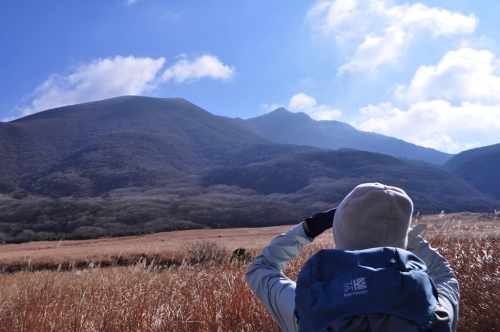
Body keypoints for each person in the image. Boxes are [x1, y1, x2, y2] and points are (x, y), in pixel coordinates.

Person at [246, 182, 459, 332]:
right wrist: (402, 232)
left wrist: (308, 229)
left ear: (340, 232)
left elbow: (263, 267)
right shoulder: (434, 307)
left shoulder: (308, 306)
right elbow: (445, 276)